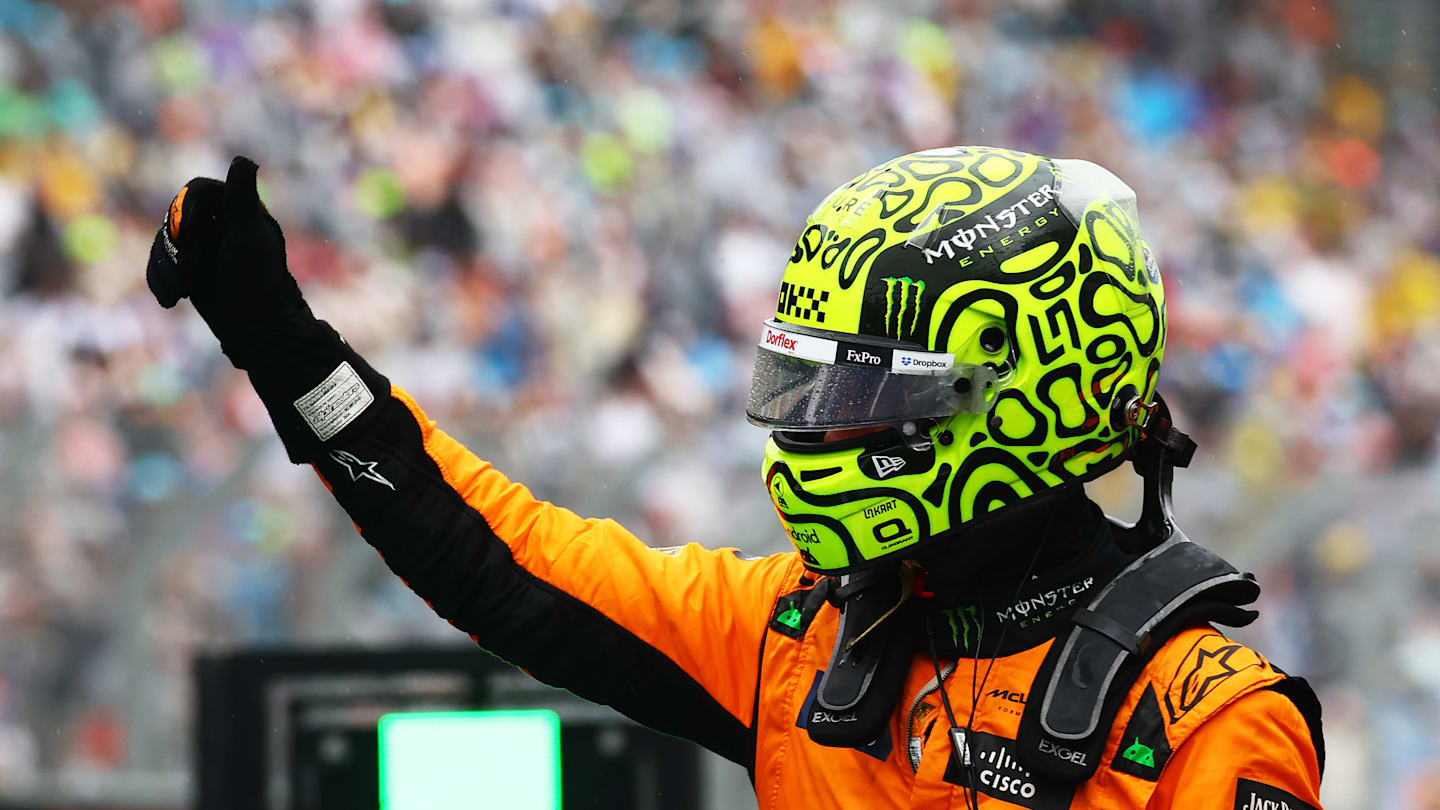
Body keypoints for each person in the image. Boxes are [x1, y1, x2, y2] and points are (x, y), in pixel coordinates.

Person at [146, 147, 1324, 809]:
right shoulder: (797, 638)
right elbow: (496, 562)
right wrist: (281, 340)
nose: (818, 434)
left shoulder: (1207, 721)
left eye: (865, 397)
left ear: (1030, 396)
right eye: (808, 390)